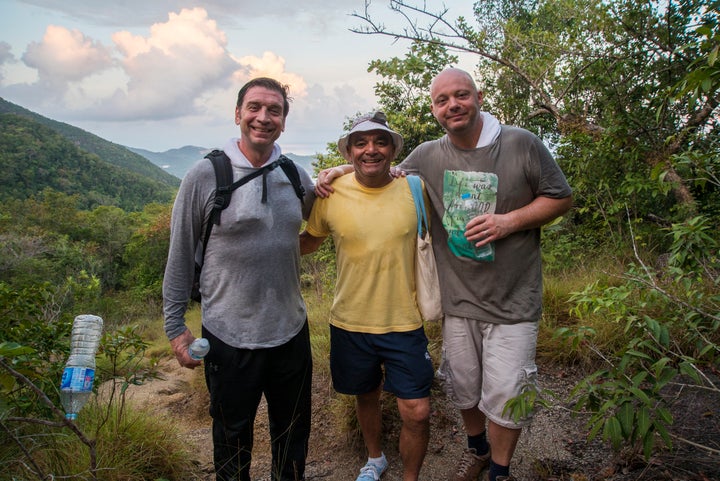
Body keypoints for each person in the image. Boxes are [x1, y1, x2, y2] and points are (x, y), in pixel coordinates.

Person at [317, 68, 573, 481]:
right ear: (435, 109)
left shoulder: (521, 143)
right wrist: (335, 172)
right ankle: (478, 450)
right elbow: (380, 167)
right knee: (463, 386)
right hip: (457, 299)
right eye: (442, 100)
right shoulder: (429, 156)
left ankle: (500, 472)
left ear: (478, 97)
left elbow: (560, 198)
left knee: (508, 392)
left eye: (461, 96)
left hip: (514, 299)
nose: (453, 105)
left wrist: (509, 222)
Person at [162, 77, 316, 481]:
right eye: (254, 107)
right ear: (237, 114)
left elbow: (316, 229)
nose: (263, 117)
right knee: (231, 444)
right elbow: (180, 253)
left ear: (284, 121)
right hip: (228, 338)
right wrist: (175, 329)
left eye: (274, 110)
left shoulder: (296, 175)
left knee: (293, 440)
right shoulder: (205, 175)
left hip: (290, 332)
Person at [299, 111, 434, 481]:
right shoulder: (331, 193)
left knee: (417, 410)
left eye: (379, 142)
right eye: (360, 143)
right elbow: (309, 240)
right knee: (365, 394)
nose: (370, 150)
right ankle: (375, 458)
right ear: (349, 151)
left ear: (393, 150)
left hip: (404, 320)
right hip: (350, 320)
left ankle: (410, 476)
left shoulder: (414, 189)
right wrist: (256, 246)